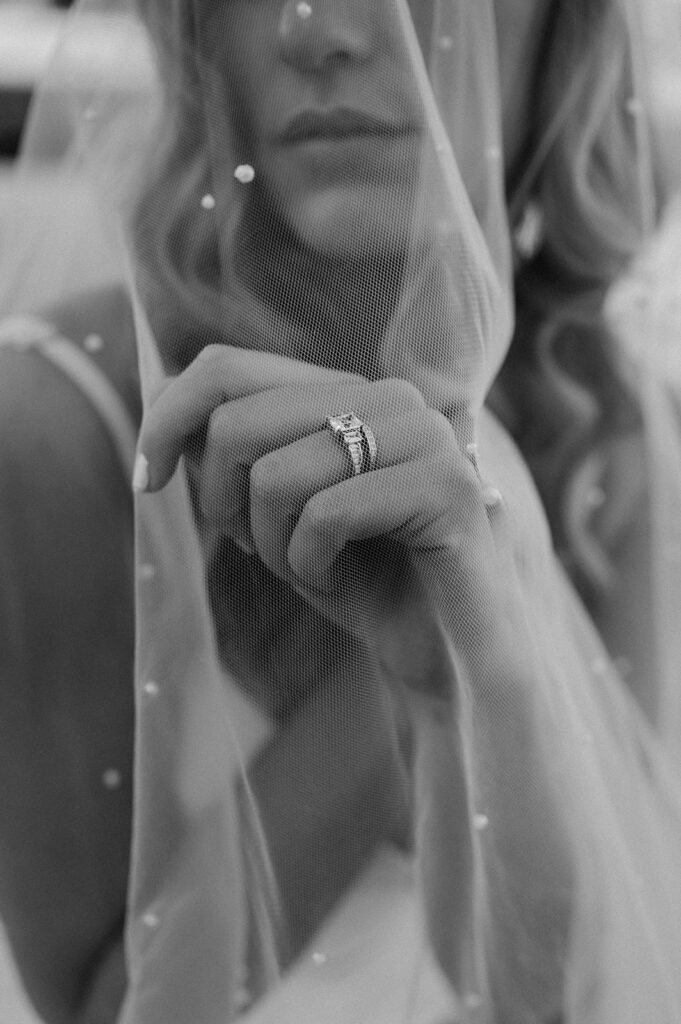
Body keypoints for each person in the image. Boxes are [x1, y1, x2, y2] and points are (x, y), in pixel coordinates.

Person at [1, 1, 681, 1022]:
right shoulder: (58, 433)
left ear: (560, 35)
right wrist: (389, 685)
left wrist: (472, 666)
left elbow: (585, 990)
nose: (316, 26)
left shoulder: (601, 421)